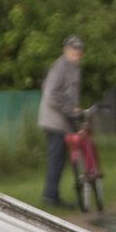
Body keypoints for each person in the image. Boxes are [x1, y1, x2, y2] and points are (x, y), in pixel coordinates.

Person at [38, 35, 84, 209]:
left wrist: (75, 108)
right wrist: (69, 109)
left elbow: (68, 93)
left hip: (63, 120)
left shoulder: (74, 67)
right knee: (56, 158)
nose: (77, 53)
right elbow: (51, 94)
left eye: (79, 51)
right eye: (74, 50)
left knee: (60, 159)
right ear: (66, 50)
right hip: (54, 121)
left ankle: (53, 194)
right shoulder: (60, 66)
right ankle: (50, 197)